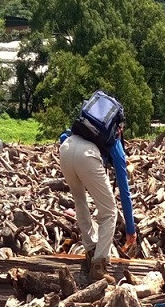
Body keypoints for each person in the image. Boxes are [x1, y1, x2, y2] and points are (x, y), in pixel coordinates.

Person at [59, 90, 138, 282]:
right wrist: (130, 228)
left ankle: (91, 250)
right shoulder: (114, 141)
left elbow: (63, 136)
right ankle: (99, 264)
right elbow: (124, 191)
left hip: (66, 148)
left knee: (80, 201)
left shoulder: (88, 125)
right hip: (87, 156)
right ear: (118, 126)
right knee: (109, 211)